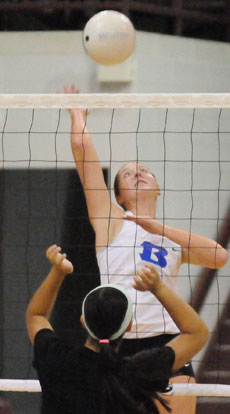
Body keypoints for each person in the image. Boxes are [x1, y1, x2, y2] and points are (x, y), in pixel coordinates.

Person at [65, 85, 228, 414]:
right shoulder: (111, 220)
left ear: (158, 190)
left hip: (169, 342)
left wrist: (159, 229)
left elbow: (219, 256)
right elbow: (84, 153)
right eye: (127, 173)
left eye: (144, 171)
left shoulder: (171, 239)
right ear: (120, 196)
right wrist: (77, 113)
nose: (137, 173)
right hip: (120, 342)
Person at [26, 244, 209, 414]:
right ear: (129, 325)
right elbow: (197, 333)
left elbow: (36, 315)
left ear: (83, 320)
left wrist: (58, 272)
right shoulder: (138, 372)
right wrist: (158, 287)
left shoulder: (57, 359)